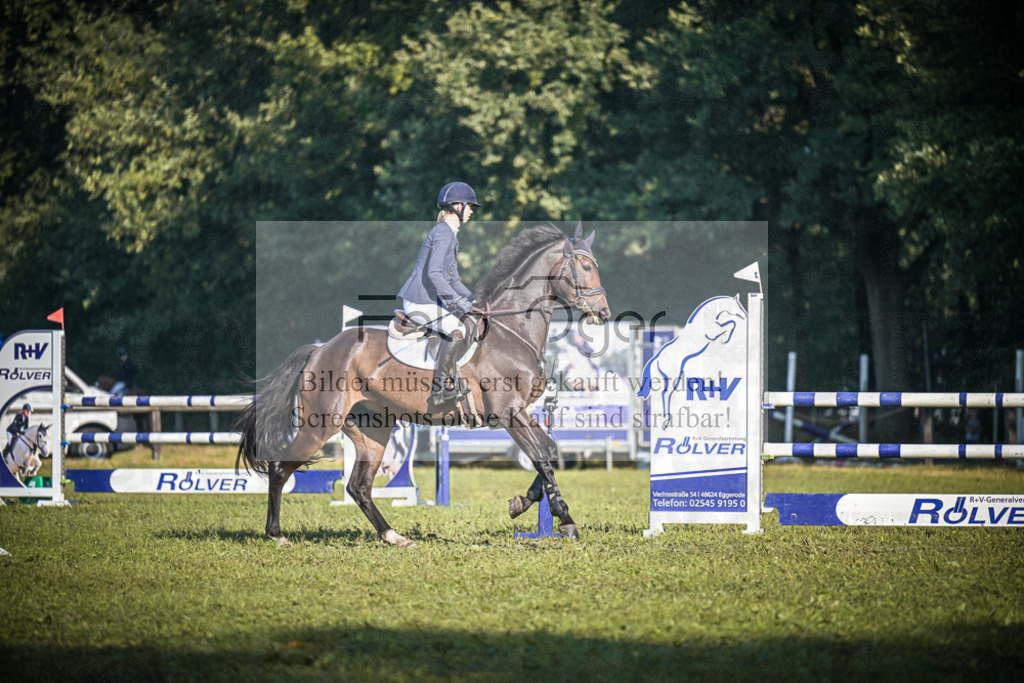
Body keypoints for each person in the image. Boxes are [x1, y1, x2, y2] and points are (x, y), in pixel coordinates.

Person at [397, 182, 481, 405]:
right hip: (419, 300)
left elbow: (452, 279)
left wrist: (475, 299)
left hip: (428, 300)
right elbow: (434, 274)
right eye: (469, 206)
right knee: (457, 328)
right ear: (457, 206)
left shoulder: (450, 234)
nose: (472, 211)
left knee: (469, 321)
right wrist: (455, 300)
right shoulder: (443, 232)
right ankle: (440, 388)